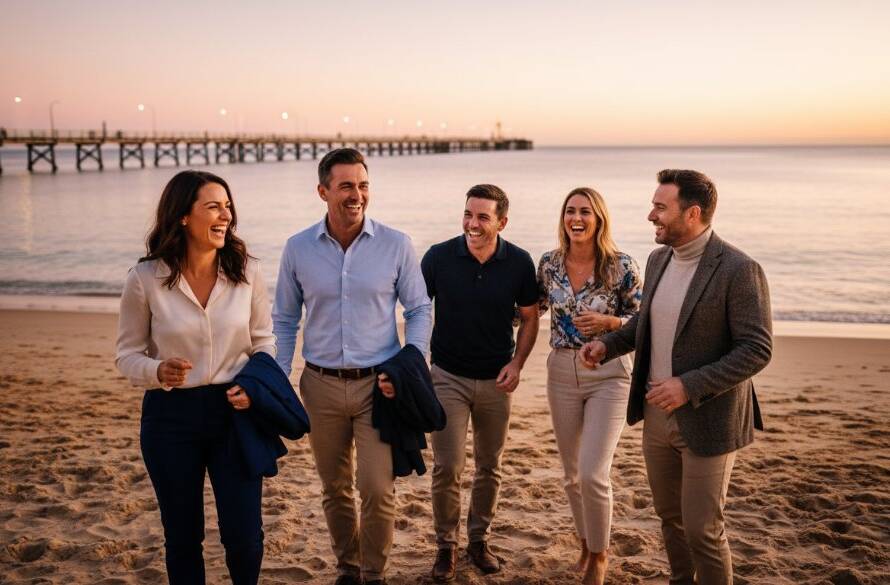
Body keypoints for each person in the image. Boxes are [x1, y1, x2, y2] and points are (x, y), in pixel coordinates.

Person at [580, 170, 772, 585]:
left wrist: (689, 385)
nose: (652, 215)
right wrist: (607, 345)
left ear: (693, 213)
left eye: (660, 208)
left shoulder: (739, 269)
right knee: (671, 520)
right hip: (656, 414)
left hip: (709, 418)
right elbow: (645, 325)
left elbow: (757, 349)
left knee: (704, 529)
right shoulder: (659, 259)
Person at [272, 148, 432, 585]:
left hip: (378, 387)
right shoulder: (298, 248)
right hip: (319, 386)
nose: (356, 194)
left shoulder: (396, 244)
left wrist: (410, 361)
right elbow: (285, 318)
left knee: (378, 490)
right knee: (334, 488)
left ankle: (373, 572)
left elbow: (419, 309)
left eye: (362, 185)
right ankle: (347, 566)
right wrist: (279, 375)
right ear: (323, 191)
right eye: (345, 186)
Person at [116, 170, 275, 585]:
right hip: (171, 416)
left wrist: (252, 388)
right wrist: (157, 370)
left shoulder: (248, 272)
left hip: (235, 413)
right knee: (182, 536)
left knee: (243, 536)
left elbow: (264, 342)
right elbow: (126, 356)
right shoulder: (145, 278)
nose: (226, 215)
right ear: (184, 216)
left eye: (227, 206)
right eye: (213, 206)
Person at [421, 184, 539, 582]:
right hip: (447, 377)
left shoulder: (520, 263)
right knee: (447, 466)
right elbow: (417, 309)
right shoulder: (438, 257)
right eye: (468, 214)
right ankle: (445, 546)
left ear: (501, 222)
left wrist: (518, 364)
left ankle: (478, 539)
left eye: (483, 217)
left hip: (496, 379)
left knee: (490, 466)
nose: (472, 223)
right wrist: (414, 360)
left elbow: (530, 317)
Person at [536, 187, 642, 585]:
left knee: (594, 472)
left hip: (609, 374)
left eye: (584, 212)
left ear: (599, 218)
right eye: (569, 211)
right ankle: (584, 542)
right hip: (561, 372)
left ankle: (599, 555)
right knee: (571, 474)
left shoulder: (621, 265)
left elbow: (643, 317)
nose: (575, 218)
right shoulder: (548, 264)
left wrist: (609, 324)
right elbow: (529, 312)